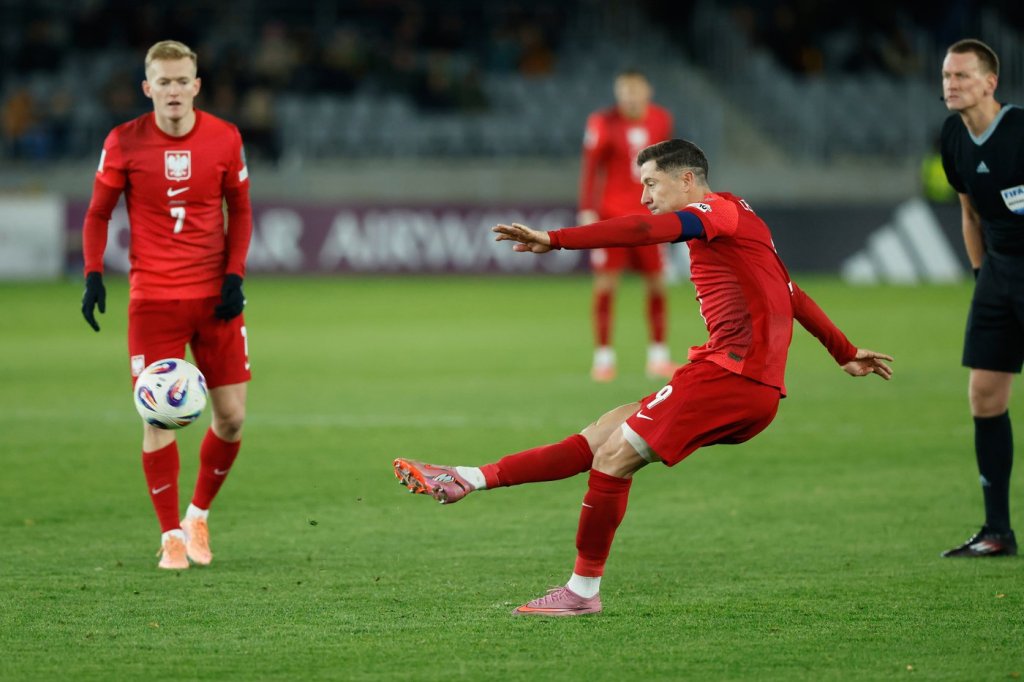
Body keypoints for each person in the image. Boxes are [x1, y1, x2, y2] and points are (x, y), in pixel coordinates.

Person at [394, 139, 893, 616]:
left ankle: (581, 592)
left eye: (651, 184)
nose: (644, 196)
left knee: (613, 459)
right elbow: (791, 291)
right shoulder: (742, 217)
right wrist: (844, 352)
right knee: (601, 435)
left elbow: (641, 231)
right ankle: (466, 478)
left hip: (733, 376)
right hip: (730, 377)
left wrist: (557, 240)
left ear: (687, 179)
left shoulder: (714, 213)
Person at [80, 40, 253, 570]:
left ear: (196, 86)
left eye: (182, 81)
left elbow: (241, 210)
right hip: (153, 300)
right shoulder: (123, 141)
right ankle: (169, 535)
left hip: (215, 299)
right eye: (164, 81)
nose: (173, 90)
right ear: (147, 87)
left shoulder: (225, 137)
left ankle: (197, 516)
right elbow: (97, 213)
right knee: (157, 418)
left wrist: (234, 275)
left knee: (231, 418)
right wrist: (93, 274)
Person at [939, 38, 1023, 557]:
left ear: (990, 82)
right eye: (947, 76)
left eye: (962, 76)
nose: (951, 85)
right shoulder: (952, 136)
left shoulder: (1020, 131)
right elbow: (969, 214)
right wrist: (982, 277)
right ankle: (997, 531)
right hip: (997, 274)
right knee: (985, 396)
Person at [578, 70, 675, 382]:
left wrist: (671, 203)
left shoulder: (661, 120)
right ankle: (603, 358)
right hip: (613, 216)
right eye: (624, 91)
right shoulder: (602, 122)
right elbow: (590, 168)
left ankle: (658, 357)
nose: (630, 97)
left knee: (657, 283)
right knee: (606, 284)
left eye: (635, 90)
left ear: (647, 91)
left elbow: (666, 168)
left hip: (650, 217)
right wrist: (587, 209)